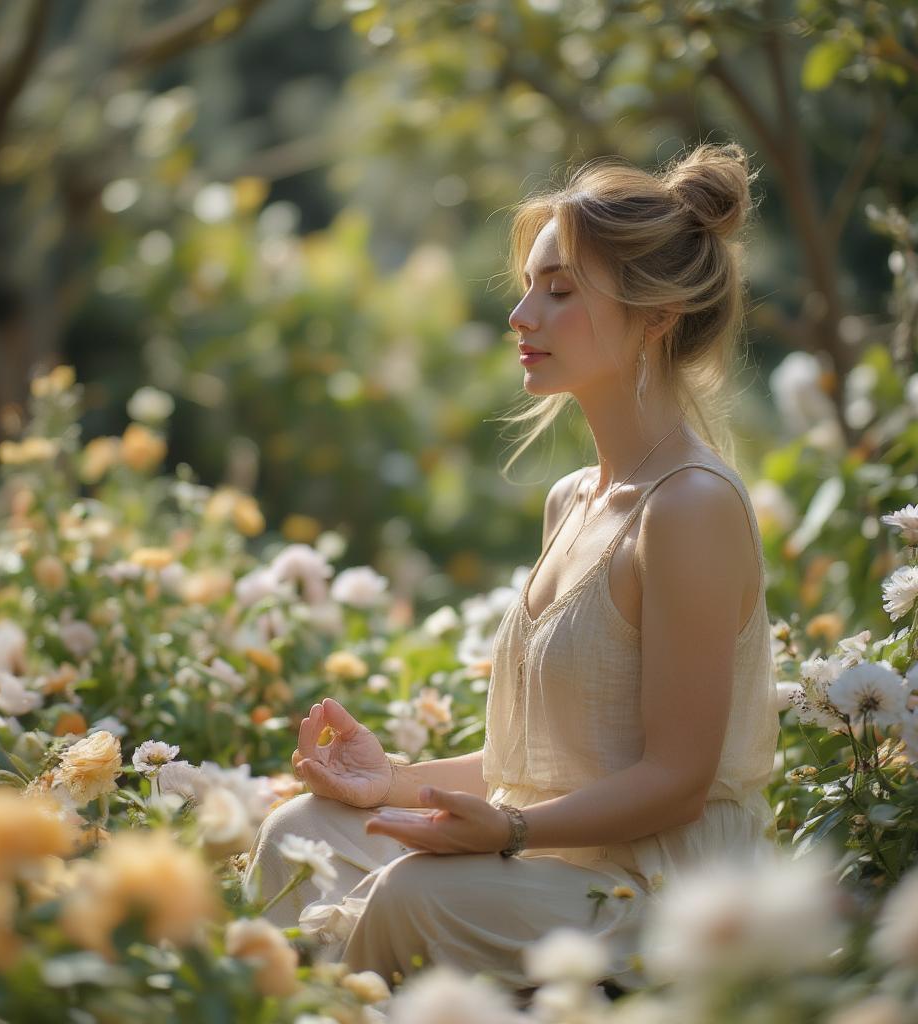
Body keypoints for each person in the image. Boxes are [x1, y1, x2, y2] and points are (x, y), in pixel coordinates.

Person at [244, 141, 782, 993]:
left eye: (560, 291)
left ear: (658, 314)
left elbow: (677, 783)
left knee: (415, 894)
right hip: (543, 859)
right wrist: (397, 782)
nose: (522, 315)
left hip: (659, 892)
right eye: (529, 287)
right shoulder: (571, 500)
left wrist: (507, 833)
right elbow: (549, 763)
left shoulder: (690, 509)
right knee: (298, 834)